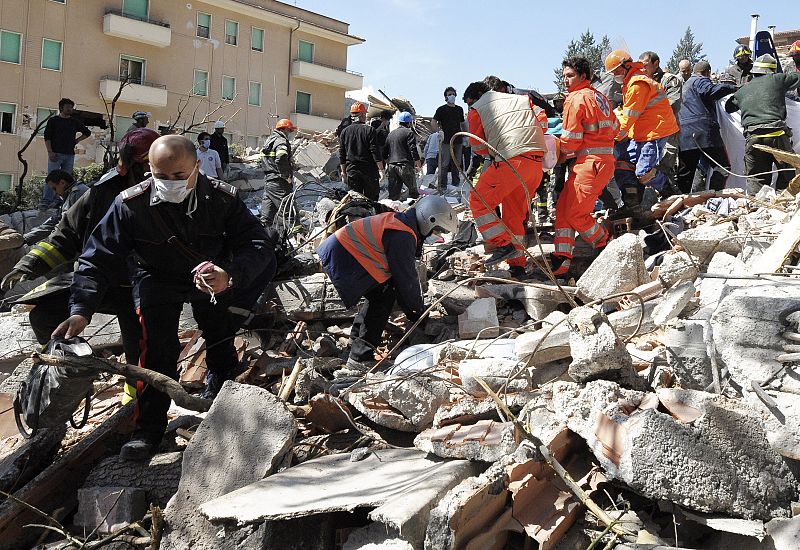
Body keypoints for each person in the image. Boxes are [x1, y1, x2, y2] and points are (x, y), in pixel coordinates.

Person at [52, 135, 276, 461]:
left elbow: (257, 244)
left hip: (210, 276)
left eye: (179, 176)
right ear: (150, 170)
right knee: (156, 351)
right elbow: (96, 258)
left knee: (220, 336)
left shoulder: (222, 199)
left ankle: (224, 401)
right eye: (161, 176)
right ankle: (149, 431)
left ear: (197, 167)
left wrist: (230, 274)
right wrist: (81, 309)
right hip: (155, 277)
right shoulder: (130, 204)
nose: (170, 183)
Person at [2, 129, 161, 395]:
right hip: (99, 281)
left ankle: (137, 408)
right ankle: (72, 378)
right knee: (45, 316)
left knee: (142, 351)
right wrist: (29, 264)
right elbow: (67, 234)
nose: (148, 170)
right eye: (143, 162)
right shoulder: (102, 192)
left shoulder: (175, 191)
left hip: (144, 288)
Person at [318, 195, 457, 366]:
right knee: (383, 297)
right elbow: (405, 280)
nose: (435, 235)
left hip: (343, 252)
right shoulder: (403, 234)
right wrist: (417, 312)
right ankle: (360, 358)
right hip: (344, 256)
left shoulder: (404, 224)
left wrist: (414, 309)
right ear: (429, 220)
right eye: (436, 230)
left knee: (380, 292)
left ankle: (356, 345)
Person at [463, 80, 546, 276]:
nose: (469, 106)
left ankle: (503, 244)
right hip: (536, 163)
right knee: (514, 215)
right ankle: (517, 265)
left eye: (468, 102)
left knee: (478, 201)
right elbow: (542, 121)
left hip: (511, 161)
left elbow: (479, 147)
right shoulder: (521, 99)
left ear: (474, 98)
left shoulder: (477, 109)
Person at [549, 56, 619, 276]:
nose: (565, 81)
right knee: (563, 209)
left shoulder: (575, 99)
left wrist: (554, 154)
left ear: (583, 76)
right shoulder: (601, 98)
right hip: (597, 162)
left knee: (576, 214)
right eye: (564, 77)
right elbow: (616, 129)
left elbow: (571, 140)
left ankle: (605, 245)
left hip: (590, 164)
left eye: (570, 76)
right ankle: (562, 260)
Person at [605, 49, 679, 219]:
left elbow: (629, 117)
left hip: (655, 132)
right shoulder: (631, 83)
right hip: (642, 133)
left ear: (627, 65)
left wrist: (612, 138)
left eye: (616, 71)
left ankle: (670, 192)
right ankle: (633, 207)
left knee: (643, 172)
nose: (615, 75)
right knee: (623, 165)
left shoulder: (638, 84)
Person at [725, 54, 800, 195]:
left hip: (753, 139)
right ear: (771, 71)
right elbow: (798, 78)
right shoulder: (777, 79)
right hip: (777, 136)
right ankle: (784, 202)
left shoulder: (743, 90)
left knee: (756, 179)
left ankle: (757, 208)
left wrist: (742, 93)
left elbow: (729, 107)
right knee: (788, 174)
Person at [676, 61, 736, 193]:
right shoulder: (700, 80)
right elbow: (709, 91)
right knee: (722, 166)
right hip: (704, 133)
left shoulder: (684, 86)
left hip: (684, 136)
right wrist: (733, 88)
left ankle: (682, 202)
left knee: (686, 173)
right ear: (707, 72)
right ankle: (714, 196)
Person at [639, 51, 684, 184]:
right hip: (646, 134)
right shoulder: (641, 82)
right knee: (645, 170)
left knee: (664, 168)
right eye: (640, 66)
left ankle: (669, 198)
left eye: (646, 65)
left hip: (667, 133)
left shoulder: (670, 80)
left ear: (656, 63)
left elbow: (673, 105)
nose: (643, 69)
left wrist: (645, 110)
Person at [42, 98, 91, 209]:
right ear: (61, 108)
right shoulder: (53, 121)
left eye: (71, 107)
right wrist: (50, 152)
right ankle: (46, 201)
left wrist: (77, 140)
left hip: (69, 154)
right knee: (52, 178)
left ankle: (60, 201)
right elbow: (47, 137)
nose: (70, 109)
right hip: (55, 153)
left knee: (66, 180)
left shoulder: (74, 121)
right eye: (67, 107)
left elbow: (87, 132)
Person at [23, 170, 89, 245]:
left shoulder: (78, 193)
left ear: (62, 183)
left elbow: (68, 224)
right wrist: (26, 238)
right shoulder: (70, 194)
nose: (55, 193)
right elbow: (54, 221)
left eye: (54, 188)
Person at [339, 101, 384, 201]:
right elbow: (375, 151)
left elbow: (342, 154)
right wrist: (381, 170)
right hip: (369, 171)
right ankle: (371, 217)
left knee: (355, 201)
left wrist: (343, 172)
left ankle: (358, 217)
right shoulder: (369, 130)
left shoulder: (344, 132)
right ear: (362, 115)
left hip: (352, 171)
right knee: (371, 201)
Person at [260, 118, 297, 226]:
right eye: (290, 130)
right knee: (289, 212)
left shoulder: (269, 140)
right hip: (279, 183)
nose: (291, 133)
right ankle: (295, 238)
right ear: (284, 129)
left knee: (266, 217)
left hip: (269, 182)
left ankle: (264, 239)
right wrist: (286, 176)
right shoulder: (281, 141)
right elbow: (281, 158)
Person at [433, 87, 466, 191]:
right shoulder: (441, 109)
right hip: (446, 141)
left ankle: (455, 185)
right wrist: (438, 132)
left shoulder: (459, 109)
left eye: (453, 94)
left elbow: (462, 124)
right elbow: (433, 122)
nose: (452, 96)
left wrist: (466, 135)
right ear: (445, 97)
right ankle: (442, 185)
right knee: (444, 163)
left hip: (458, 140)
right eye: (449, 94)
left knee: (457, 163)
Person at [383, 112, 421, 200]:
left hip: (392, 166)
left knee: (393, 194)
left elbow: (384, 153)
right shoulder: (409, 132)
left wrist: (389, 162)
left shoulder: (391, 134)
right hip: (405, 166)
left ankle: (392, 212)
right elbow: (413, 149)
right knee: (413, 193)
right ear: (409, 123)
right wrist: (418, 163)